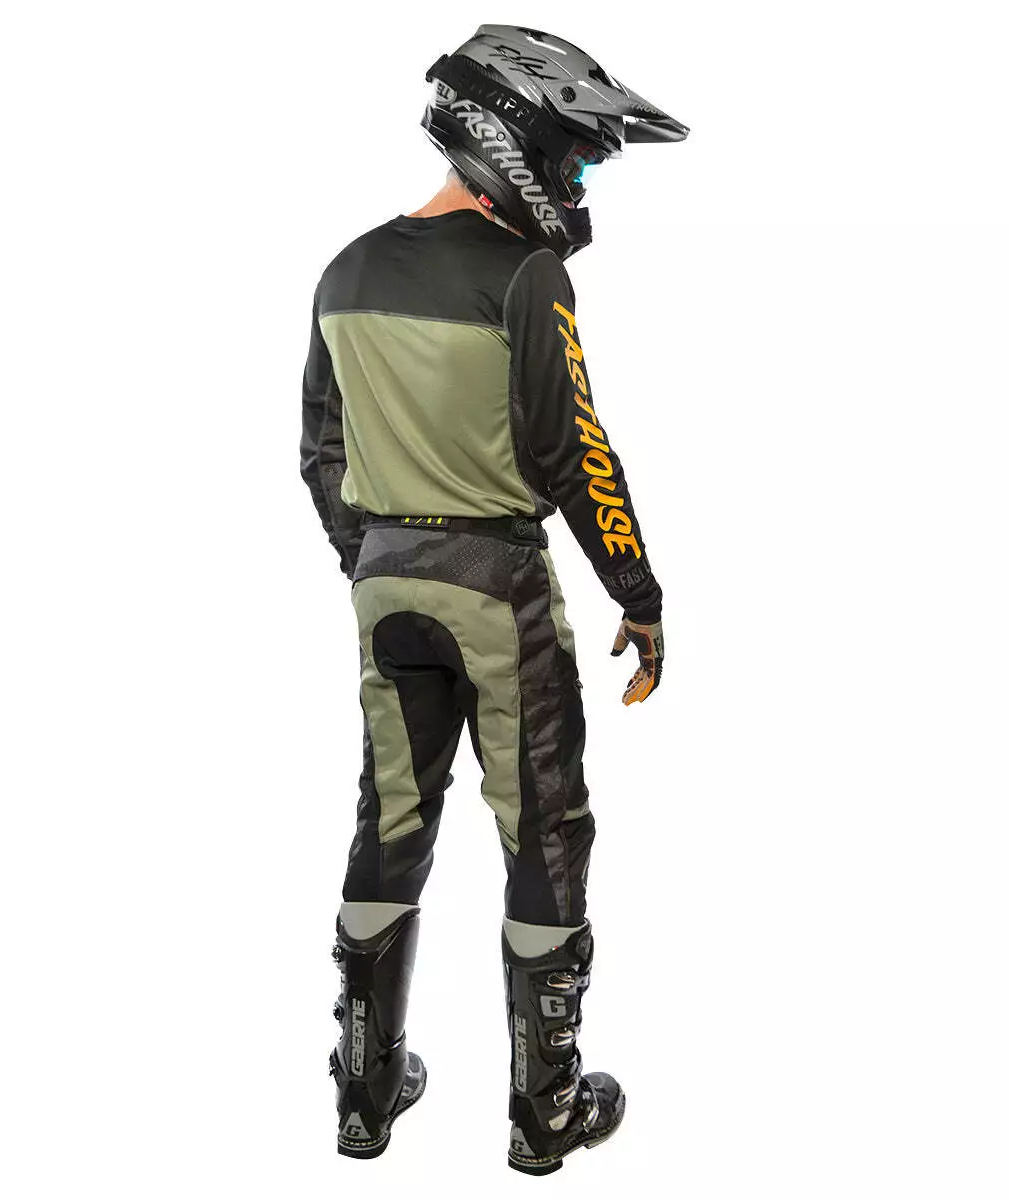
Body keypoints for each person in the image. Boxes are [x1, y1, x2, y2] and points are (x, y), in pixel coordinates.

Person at [302, 25, 687, 1174]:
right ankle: (545, 1110)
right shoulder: (527, 275)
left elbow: (319, 452)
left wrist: (375, 555)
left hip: (385, 592)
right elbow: (575, 453)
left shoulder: (346, 269)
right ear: (513, 139)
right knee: (546, 827)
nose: (578, 182)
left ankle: (364, 1095)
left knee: (392, 817)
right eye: (576, 158)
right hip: (497, 591)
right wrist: (638, 591)